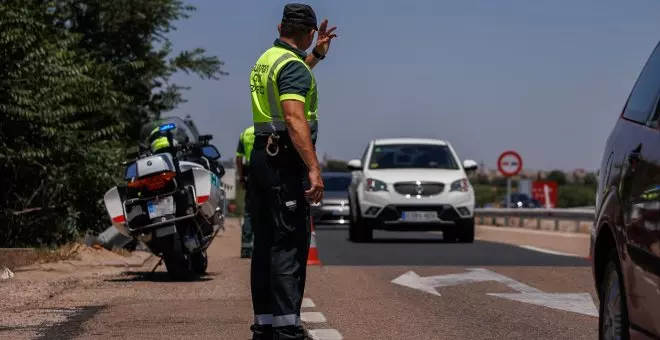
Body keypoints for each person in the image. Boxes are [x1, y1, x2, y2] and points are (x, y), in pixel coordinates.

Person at [247, 3, 337, 339]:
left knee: (266, 243)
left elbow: (292, 75)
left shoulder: (268, 59)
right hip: (284, 161)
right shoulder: (292, 68)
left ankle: (266, 325)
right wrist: (313, 168)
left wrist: (317, 56)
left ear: (280, 26)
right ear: (310, 32)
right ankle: (287, 332)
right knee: (289, 245)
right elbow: (294, 117)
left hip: (262, 156)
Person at [236, 125, 255, 258]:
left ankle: (246, 248)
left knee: (249, 212)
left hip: (250, 174)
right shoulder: (268, 130)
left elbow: (239, 158)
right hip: (265, 172)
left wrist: (241, 177)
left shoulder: (245, 133)